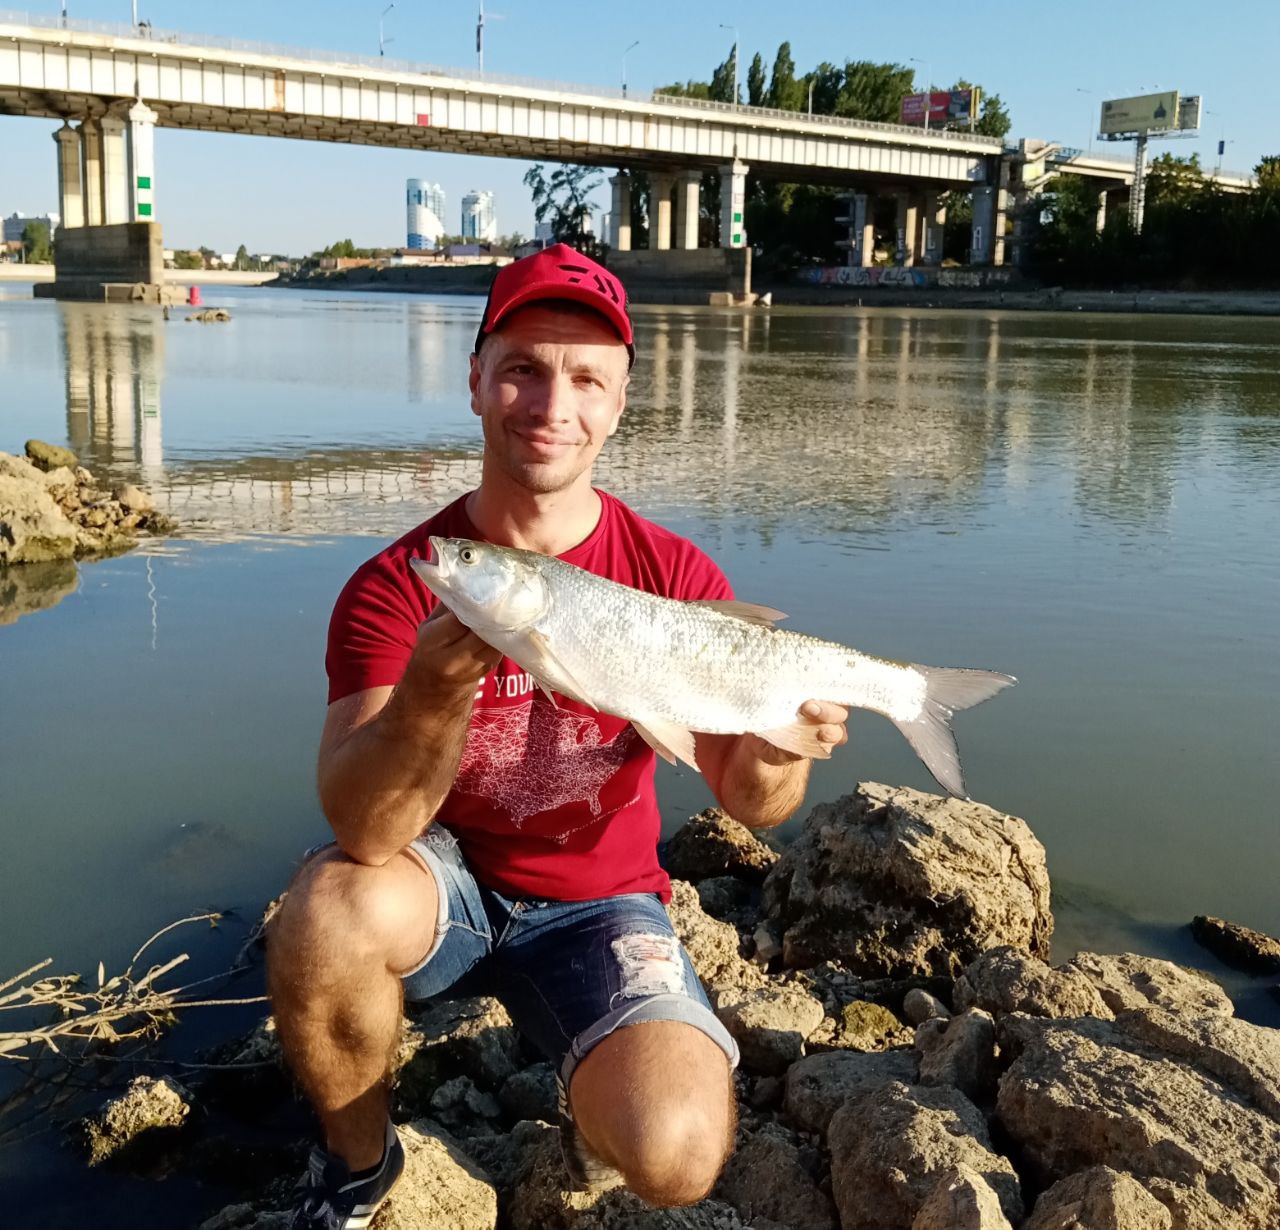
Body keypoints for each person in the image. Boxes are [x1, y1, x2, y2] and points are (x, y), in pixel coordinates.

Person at [267, 243, 849, 1228]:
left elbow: (752, 806)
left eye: (585, 379)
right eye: (523, 371)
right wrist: (432, 688)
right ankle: (358, 1165)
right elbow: (364, 829)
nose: (551, 406)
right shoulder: (401, 581)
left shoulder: (669, 573)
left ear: (618, 403)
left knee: (677, 1155)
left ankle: (589, 1093)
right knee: (322, 914)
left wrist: (779, 744)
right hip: (437, 878)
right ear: (476, 383)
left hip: (598, 902)